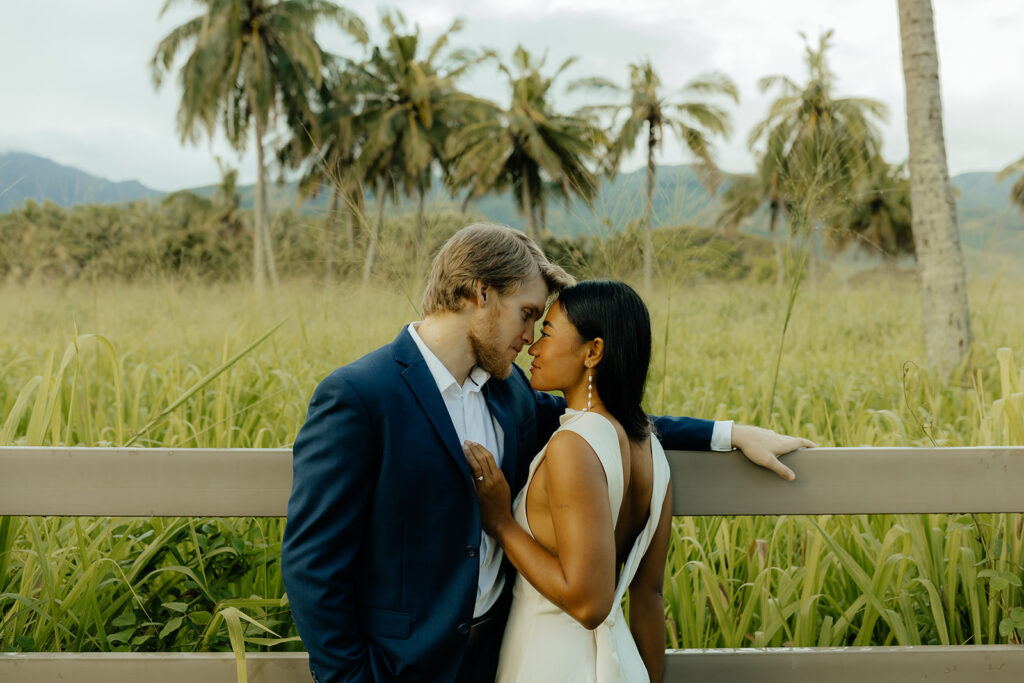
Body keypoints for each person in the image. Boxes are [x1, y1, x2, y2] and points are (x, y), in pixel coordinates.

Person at [281, 222, 813, 683]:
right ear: (478, 293)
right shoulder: (359, 395)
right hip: (401, 667)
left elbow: (603, 416)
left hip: (501, 656)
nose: (531, 337)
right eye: (527, 313)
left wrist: (728, 433)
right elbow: (312, 564)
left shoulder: (508, 392)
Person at [464, 280, 677, 682]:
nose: (533, 348)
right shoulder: (651, 449)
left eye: (546, 332)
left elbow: (589, 603)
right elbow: (648, 595)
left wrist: (501, 523)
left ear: (593, 351)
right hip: (623, 666)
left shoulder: (573, 445)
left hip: (552, 663)